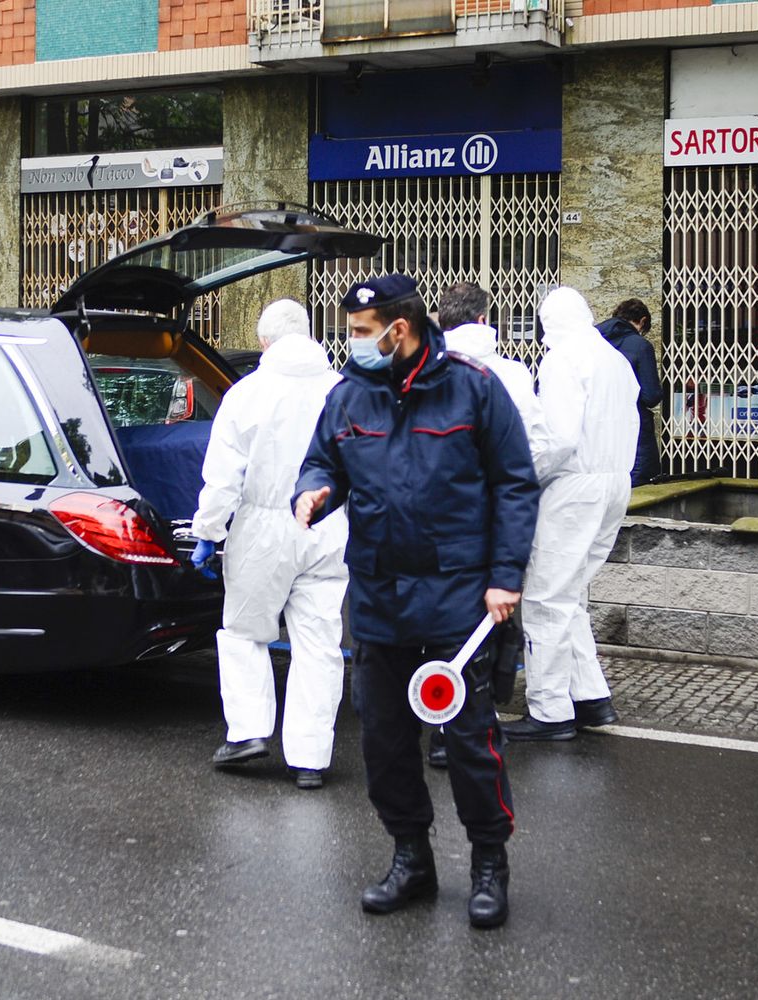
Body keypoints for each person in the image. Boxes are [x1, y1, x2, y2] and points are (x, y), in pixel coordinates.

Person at [293, 275, 541, 929]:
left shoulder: (472, 387)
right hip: (378, 596)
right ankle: (412, 858)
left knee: (469, 740)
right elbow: (324, 462)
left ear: (397, 330)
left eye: (360, 331)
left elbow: (516, 483)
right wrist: (315, 491)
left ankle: (489, 861)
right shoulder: (349, 397)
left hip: (460, 596)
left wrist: (506, 576)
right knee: (385, 742)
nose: (353, 343)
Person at [191, 299, 349, 791]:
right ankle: (310, 758)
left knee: (243, 632)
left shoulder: (247, 394)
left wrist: (206, 534)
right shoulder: (342, 390)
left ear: (264, 342)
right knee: (319, 645)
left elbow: (223, 478)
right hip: (328, 526)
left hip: (263, 527)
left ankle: (248, 733)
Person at [422, 282, 550, 769]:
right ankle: (467, 725)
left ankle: (435, 723)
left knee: (436, 618)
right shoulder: (511, 374)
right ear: (482, 321)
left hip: (433, 517)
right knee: (480, 623)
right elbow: (536, 444)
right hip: (490, 516)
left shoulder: (419, 368)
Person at [506, 287, 639, 742]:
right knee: (571, 594)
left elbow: (559, 440)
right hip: (614, 483)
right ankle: (590, 696)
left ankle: (549, 709)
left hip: (575, 485)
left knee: (545, 597)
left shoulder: (564, 359)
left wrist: (526, 478)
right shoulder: (615, 359)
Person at [595, 299, 662, 486]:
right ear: (642, 320)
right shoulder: (640, 345)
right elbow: (651, 396)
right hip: (633, 425)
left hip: (600, 425)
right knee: (637, 481)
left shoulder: (596, 342)